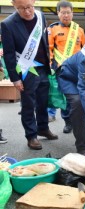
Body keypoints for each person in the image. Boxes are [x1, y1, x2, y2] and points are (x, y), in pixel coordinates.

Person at [1, 0, 58, 150]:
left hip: (43, 67)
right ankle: (31, 135)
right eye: (21, 8)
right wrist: (15, 78)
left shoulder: (41, 16)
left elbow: (44, 41)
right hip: (26, 70)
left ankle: (43, 128)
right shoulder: (8, 24)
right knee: (28, 105)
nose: (27, 11)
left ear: (33, 2)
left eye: (29, 7)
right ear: (14, 5)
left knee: (43, 102)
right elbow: (8, 54)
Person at [47, 0, 85, 134]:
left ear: (72, 13)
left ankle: (79, 120)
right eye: (63, 13)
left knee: (80, 95)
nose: (66, 15)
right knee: (66, 98)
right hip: (61, 69)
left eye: (68, 13)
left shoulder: (79, 30)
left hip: (78, 70)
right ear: (58, 13)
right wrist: (51, 65)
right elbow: (49, 49)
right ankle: (68, 121)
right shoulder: (53, 29)